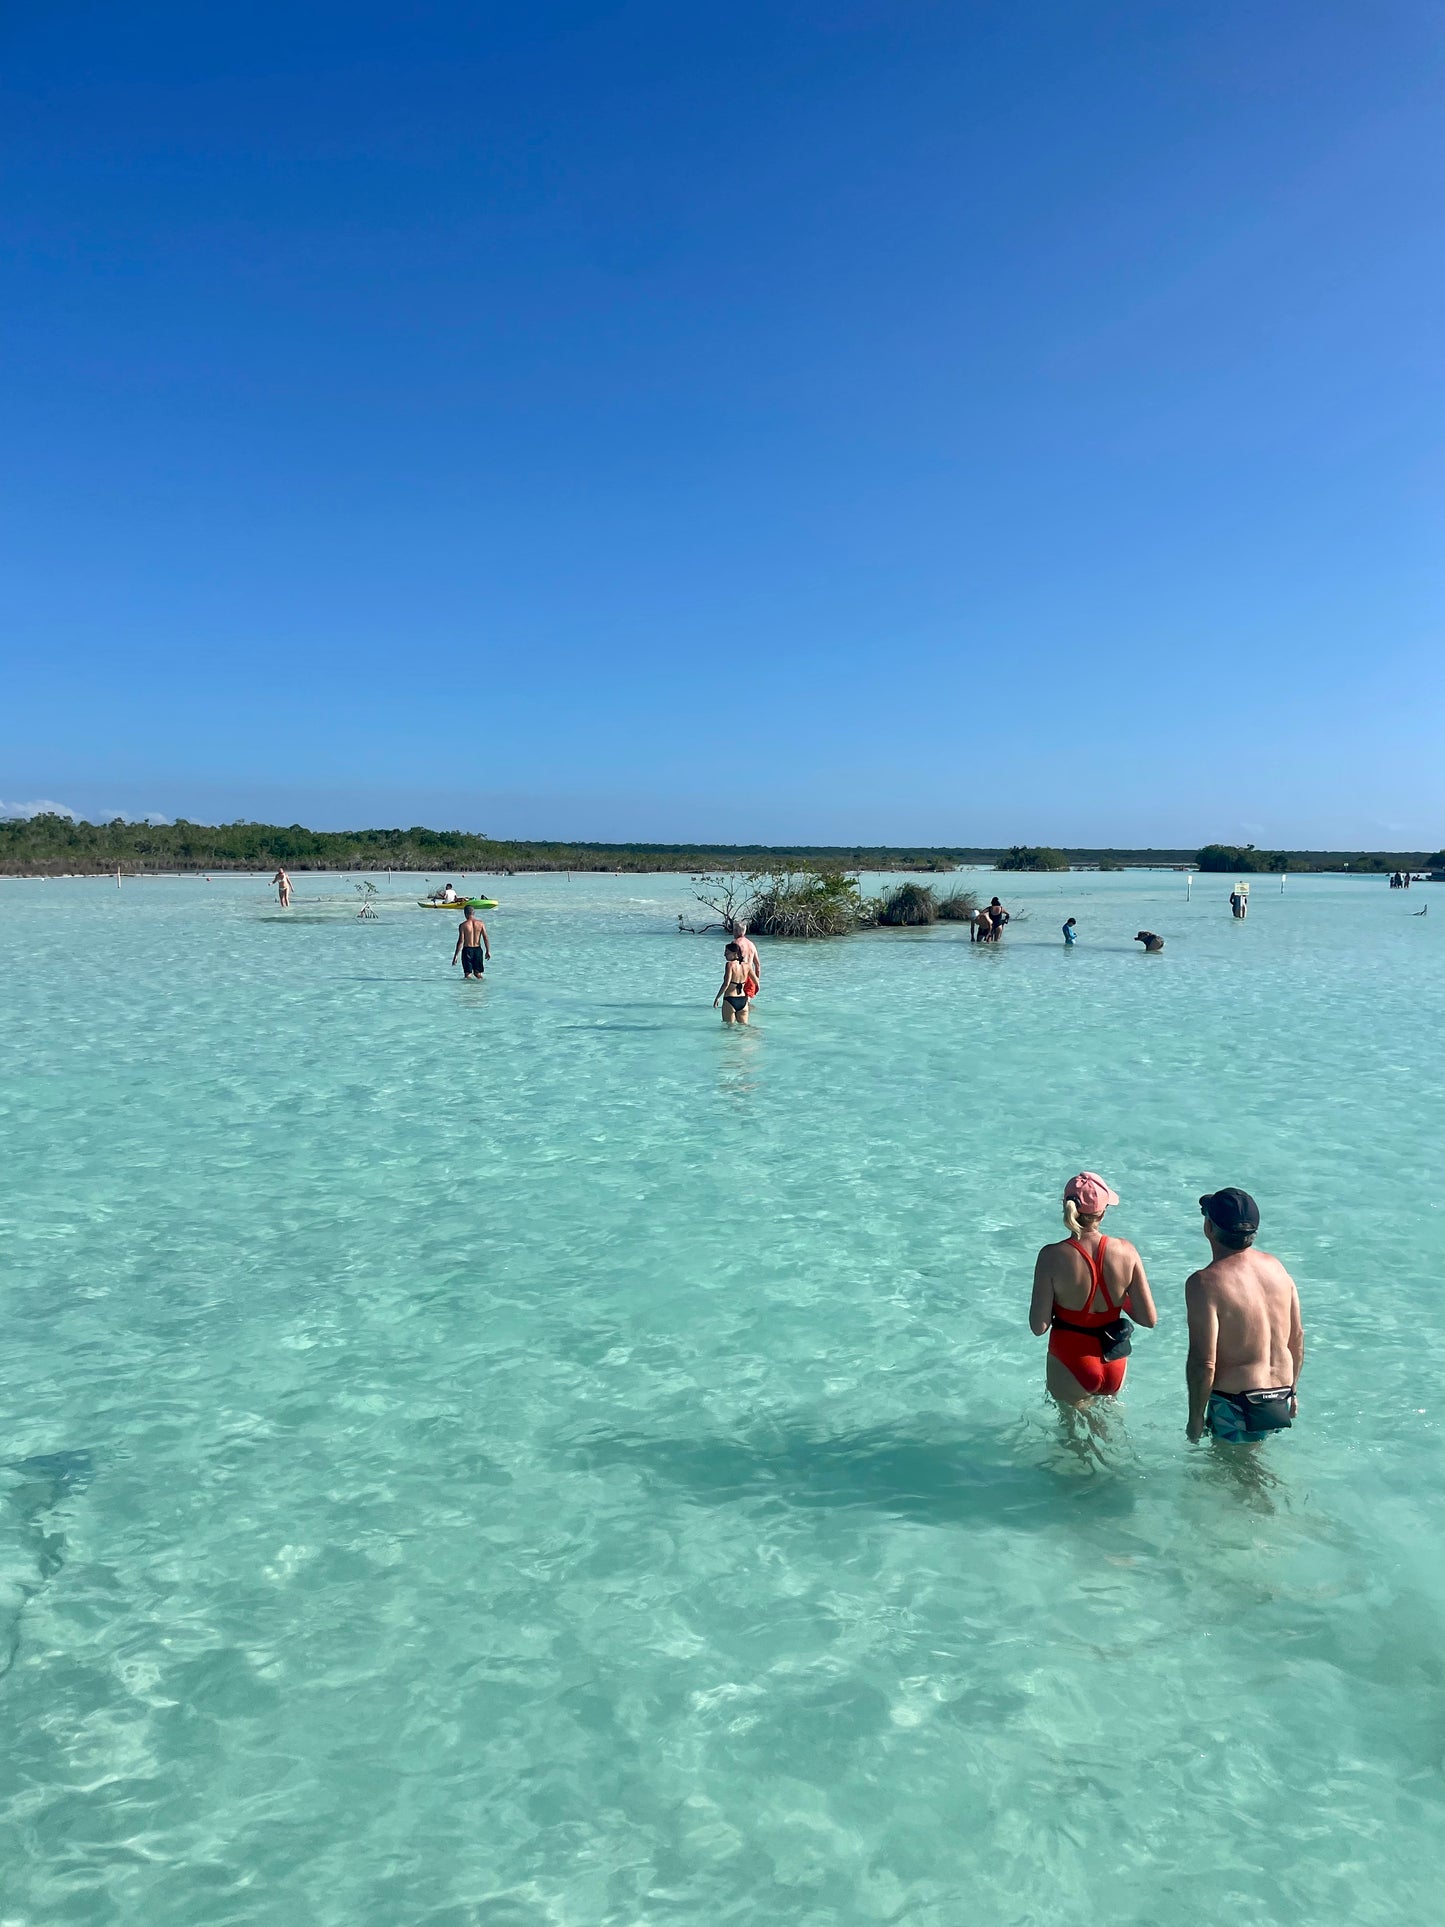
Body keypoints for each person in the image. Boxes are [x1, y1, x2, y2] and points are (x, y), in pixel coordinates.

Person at [1186, 1190, 1303, 1444]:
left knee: (1232, 1476)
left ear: (1209, 1227)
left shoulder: (1204, 1283)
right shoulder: (1277, 1268)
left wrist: (1195, 1418)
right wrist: (1293, 1392)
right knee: (1250, 1467)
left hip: (1237, 1402)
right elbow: (1296, 1337)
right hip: (1280, 1394)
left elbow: (1203, 1362)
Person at [1029, 1173, 1157, 1406]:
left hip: (1072, 1358)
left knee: (1072, 1439)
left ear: (1065, 1207)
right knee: (1110, 1433)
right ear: (1103, 1211)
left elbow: (1039, 1327)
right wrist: (1120, 1297)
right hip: (1114, 1360)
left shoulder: (1051, 1256)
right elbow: (1149, 1319)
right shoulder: (1127, 1251)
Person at [714, 940, 751, 1024]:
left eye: (727, 953)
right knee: (744, 1028)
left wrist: (717, 997)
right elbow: (756, 981)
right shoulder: (747, 965)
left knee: (728, 1029)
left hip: (730, 999)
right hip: (743, 999)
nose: (724, 955)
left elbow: (726, 983)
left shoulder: (729, 965)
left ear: (735, 953)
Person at [451, 907, 491, 979]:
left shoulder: (463, 925)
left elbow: (461, 941)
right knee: (478, 974)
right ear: (473, 913)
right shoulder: (481, 924)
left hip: (467, 950)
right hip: (478, 950)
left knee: (468, 974)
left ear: (465, 914)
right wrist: (488, 951)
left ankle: (468, 989)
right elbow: (486, 938)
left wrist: (456, 955)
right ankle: (481, 988)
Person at [731, 920, 762, 997]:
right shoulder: (751, 944)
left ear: (735, 931)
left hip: (740, 975)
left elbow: (733, 963)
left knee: (735, 1000)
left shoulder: (735, 943)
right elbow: (757, 965)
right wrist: (756, 980)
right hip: (751, 975)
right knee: (746, 1002)